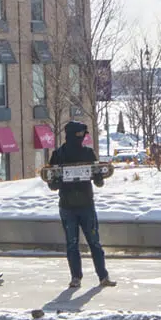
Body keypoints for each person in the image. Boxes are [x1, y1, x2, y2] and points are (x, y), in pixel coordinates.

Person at [45, 121, 111, 287]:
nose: (81, 138)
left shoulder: (88, 153)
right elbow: (51, 183)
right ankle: (76, 277)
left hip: (86, 204)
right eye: (79, 134)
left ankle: (103, 276)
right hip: (68, 206)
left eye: (83, 135)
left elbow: (99, 182)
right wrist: (58, 181)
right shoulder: (58, 154)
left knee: (94, 242)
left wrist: (98, 177)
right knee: (72, 244)